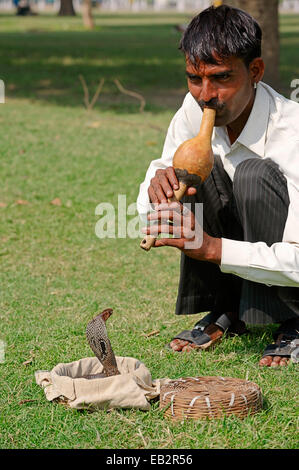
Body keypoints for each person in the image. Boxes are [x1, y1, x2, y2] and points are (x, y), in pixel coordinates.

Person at [137, 4, 299, 367]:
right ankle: (226, 310)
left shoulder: (293, 133)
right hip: (235, 253)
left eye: (222, 78)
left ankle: (294, 320)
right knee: (191, 173)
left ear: (255, 70)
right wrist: (157, 191)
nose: (205, 94)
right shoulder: (194, 109)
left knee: (254, 175)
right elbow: (152, 193)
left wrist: (212, 249)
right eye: (194, 78)